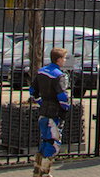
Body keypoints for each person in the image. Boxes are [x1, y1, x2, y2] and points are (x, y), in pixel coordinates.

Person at [29, 47, 71, 177]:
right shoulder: (59, 75)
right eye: (64, 58)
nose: (65, 60)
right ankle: (44, 172)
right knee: (53, 144)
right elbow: (62, 97)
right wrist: (66, 107)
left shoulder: (41, 72)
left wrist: (40, 102)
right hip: (54, 115)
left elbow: (32, 90)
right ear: (58, 60)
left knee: (45, 141)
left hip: (43, 113)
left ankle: (37, 169)